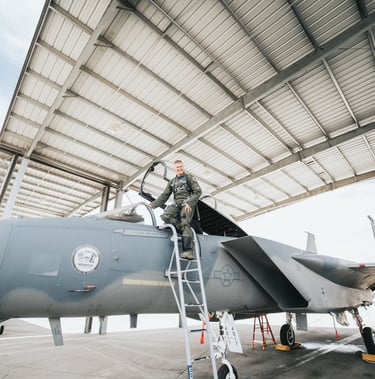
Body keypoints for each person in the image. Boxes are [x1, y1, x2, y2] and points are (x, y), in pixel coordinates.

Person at [150, 160, 202, 259]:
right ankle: (183, 229)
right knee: (166, 216)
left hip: (188, 204)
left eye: (181, 167)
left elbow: (198, 192)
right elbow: (164, 195)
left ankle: (188, 251)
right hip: (177, 204)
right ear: (175, 169)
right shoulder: (172, 182)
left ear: (183, 167)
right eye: (177, 167)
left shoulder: (189, 178)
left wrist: (189, 203)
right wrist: (153, 205)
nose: (179, 169)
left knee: (185, 221)